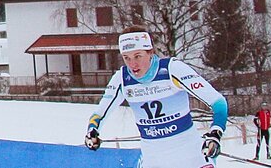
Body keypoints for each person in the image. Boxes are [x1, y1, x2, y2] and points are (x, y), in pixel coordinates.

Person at [84, 28, 229, 168]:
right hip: (153, 158)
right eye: (126, 58)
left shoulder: (172, 69)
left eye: (138, 56)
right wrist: (92, 131)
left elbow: (218, 102)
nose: (132, 64)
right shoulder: (122, 79)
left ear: (150, 52)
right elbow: (99, 114)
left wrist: (215, 133)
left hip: (189, 155)